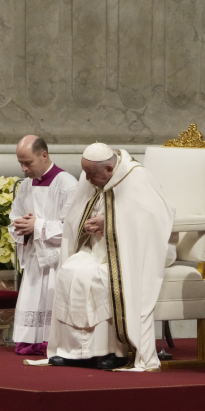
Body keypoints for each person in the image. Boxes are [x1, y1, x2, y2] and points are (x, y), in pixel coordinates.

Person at [39, 143, 174, 371]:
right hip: (97, 248)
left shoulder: (137, 177)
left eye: (92, 175)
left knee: (100, 277)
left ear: (109, 170)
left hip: (131, 253)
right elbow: (76, 214)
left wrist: (109, 222)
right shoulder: (92, 176)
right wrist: (88, 225)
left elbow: (154, 219)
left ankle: (114, 351)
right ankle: (76, 352)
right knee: (70, 271)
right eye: (86, 174)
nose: (88, 180)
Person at [8, 136, 77, 357]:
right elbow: (15, 216)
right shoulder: (26, 186)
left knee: (52, 297)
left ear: (44, 155)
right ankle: (31, 340)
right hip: (34, 257)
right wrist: (20, 227)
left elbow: (73, 226)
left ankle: (52, 340)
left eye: (28, 163)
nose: (23, 168)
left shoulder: (67, 184)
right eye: (21, 163)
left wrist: (37, 225)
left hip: (57, 259)